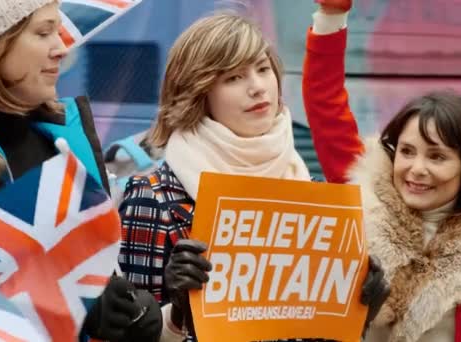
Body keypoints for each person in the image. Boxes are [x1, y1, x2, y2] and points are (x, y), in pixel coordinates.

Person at [0, 0, 162, 340]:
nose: (61, 48)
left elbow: (90, 275)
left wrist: (129, 314)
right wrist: (67, 309)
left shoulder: (64, 142)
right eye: (43, 32)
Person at [118, 12, 389, 341]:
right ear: (197, 93)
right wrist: (175, 312)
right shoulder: (154, 199)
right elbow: (126, 334)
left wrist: (358, 315)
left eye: (263, 69)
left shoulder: (311, 193)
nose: (258, 87)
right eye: (233, 78)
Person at [302, 1, 461, 341]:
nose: (416, 169)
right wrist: (332, 16)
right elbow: (324, 101)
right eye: (407, 151)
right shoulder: (363, 198)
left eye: (437, 157)